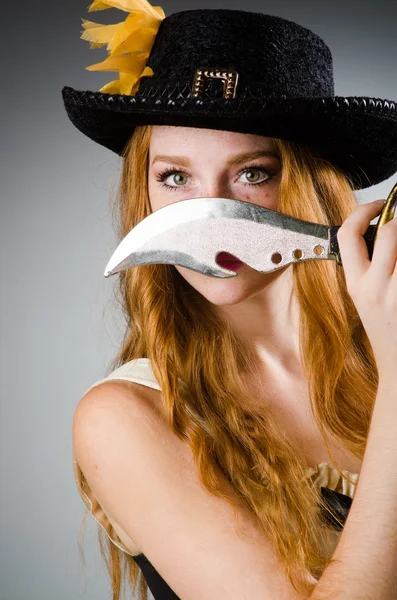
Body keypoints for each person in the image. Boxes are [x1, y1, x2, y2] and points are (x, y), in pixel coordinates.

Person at [62, 1, 397, 599]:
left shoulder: (381, 353)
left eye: (253, 173)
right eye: (174, 177)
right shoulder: (127, 419)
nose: (210, 213)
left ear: (311, 185)